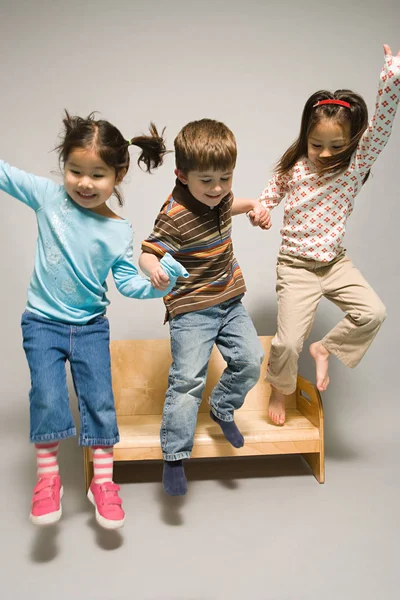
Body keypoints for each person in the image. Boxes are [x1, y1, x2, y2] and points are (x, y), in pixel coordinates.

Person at [0, 112, 188, 528]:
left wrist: (160, 281)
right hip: (42, 323)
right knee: (47, 397)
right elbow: (4, 174)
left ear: (118, 175)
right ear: (63, 166)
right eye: (75, 170)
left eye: (97, 174)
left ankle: (103, 483)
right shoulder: (48, 198)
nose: (84, 182)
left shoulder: (120, 233)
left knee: (100, 402)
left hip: (90, 328)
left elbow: (129, 286)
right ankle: (48, 480)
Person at [257, 45, 400, 425]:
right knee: (287, 342)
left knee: (373, 312)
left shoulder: (354, 167)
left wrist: (392, 78)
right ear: (306, 137)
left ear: (352, 144)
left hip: (334, 264)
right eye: (316, 144)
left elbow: (382, 126)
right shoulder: (297, 167)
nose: (323, 153)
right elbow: (274, 187)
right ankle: (279, 389)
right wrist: (261, 208)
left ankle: (326, 348)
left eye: (335, 146)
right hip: (296, 267)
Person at [140, 118, 270, 495]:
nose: (217, 189)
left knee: (250, 359)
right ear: (182, 175)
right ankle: (175, 456)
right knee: (187, 380)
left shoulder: (221, 195)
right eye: (207, 181)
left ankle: (222, 407)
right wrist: (155, 272)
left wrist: (256, 209)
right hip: (192, 308)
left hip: (228, 298)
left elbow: (233, 204)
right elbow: (148, 253)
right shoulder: (174, 214)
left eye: (225, 178)